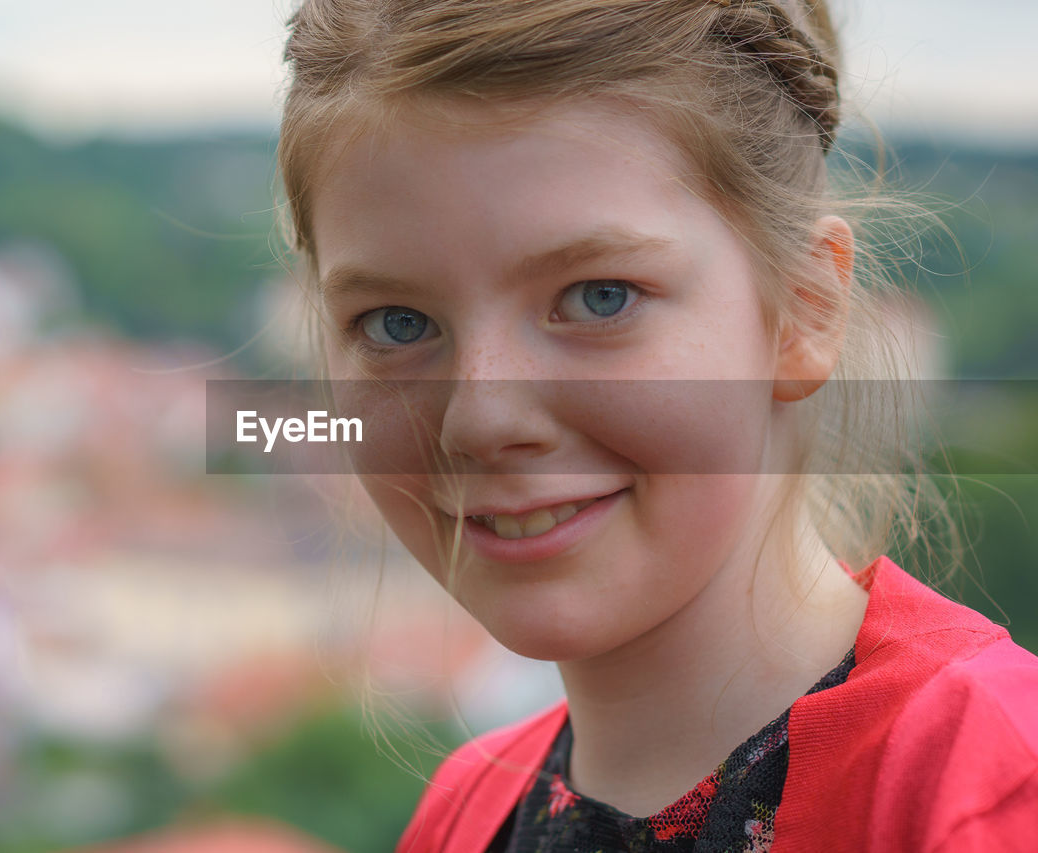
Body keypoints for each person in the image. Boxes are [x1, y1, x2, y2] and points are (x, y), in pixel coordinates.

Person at [274, 0, 1038, 850]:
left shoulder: (985, 785)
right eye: (395, 324)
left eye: (600, 297)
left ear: (804, 309)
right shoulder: (463, 815)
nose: (481, 418)